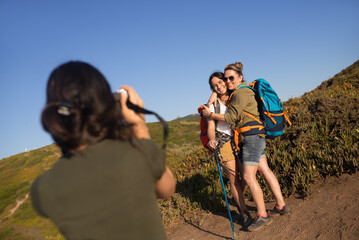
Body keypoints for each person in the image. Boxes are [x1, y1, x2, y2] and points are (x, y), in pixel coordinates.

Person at [30, 61, 176, 240]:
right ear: (107, 103)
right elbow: (167, 189)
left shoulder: (42, 189)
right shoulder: (139, 153)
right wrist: (139, 127)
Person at [202, 62, 290, 232]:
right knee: (260, 172)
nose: (224, 84)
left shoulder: (239, 93)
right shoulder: (231, 96)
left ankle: (262, 214)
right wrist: (211, 104)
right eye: (219, 83)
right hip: (241, 138)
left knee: (248, 178)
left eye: (226, 80)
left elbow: (232, 117)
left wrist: (210, 113)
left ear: (238, 78)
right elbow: (211, 127)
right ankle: (275, 206)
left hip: (248, 137)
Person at [206, 72, 250, 224]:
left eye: (220, 82)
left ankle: (237, 199)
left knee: (247, 175)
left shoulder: (236, 94)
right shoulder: (213, 105)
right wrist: (212, 141)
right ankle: (243, 213)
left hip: (240, 139)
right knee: (234, 179)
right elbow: (210, 127)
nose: (219, 87)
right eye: (214, 86)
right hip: (223, 142)